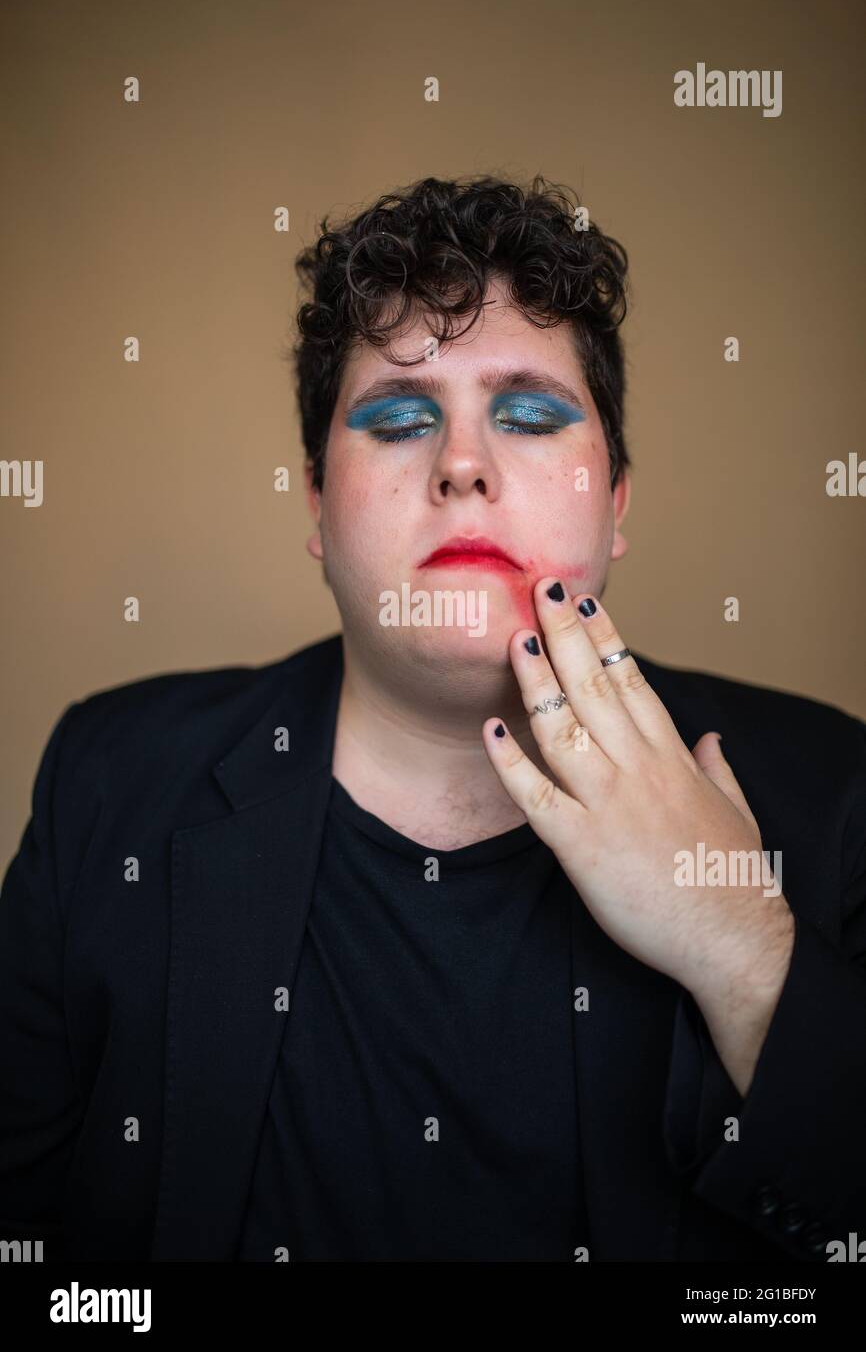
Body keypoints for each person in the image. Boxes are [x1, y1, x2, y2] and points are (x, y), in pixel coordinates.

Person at [1, 175, 864, 1263]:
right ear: (317, 504)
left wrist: (741, 945)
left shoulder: (832, 796)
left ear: (617, 502)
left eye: (530, 413)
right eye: (401, 418)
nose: (461, 464)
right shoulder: (105, 785)